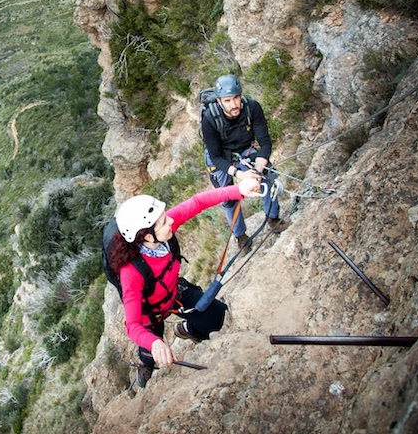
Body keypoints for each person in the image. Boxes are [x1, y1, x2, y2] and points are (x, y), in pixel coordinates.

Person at [108, 178, 263, 388]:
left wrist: (238, 190)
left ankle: (188, 329)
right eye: (163, 222)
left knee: (217, 314)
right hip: (150, 311)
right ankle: (145, 365)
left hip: (174, 292)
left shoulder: (162, 233)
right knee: (150, 350)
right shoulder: (131, 273)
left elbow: (197, 202)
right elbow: (133, 325)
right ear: (145, 237)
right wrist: (154, 342)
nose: (170, 221)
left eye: (165, 218)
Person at [201, 74, 287, 255]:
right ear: (219, 101)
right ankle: (240, 237)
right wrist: (240, 175)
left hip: (244, 149)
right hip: (220, 157)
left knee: (267, 178)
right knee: (228, 198)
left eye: (236, 98)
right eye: (228, 100)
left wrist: (257, 170)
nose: (234, 104)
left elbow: (265, 143)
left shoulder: (252, 108)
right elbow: (216, 157)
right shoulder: (209, 118)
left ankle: (273, 218)